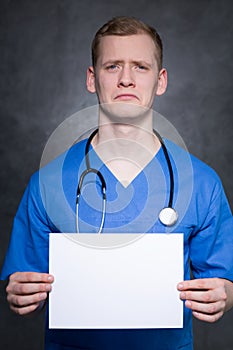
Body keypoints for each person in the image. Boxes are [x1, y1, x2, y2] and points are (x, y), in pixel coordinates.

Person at [1, 16, 233, 350]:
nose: (126, 79)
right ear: (92, 79)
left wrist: (220, 296)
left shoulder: (202, 184)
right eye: (112, 66)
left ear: (160, 80)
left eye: (140, 66)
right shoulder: (47, 184)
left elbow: (223, 281)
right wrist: (20, 293)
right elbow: (22, 280)